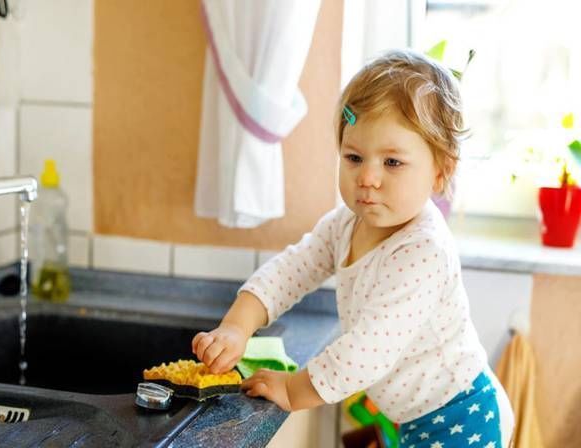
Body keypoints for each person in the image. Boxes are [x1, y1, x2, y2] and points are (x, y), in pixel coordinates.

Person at [191, 49, 515, 448]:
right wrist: (238, 325)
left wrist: (293, 390)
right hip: (415, 419)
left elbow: (367, 351)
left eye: (392, 162)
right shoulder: (347, 222)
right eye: (354, 157)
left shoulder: (424, 251)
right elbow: (294, 268)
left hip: (462, 416)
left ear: (441, 170)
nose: (368, 178)